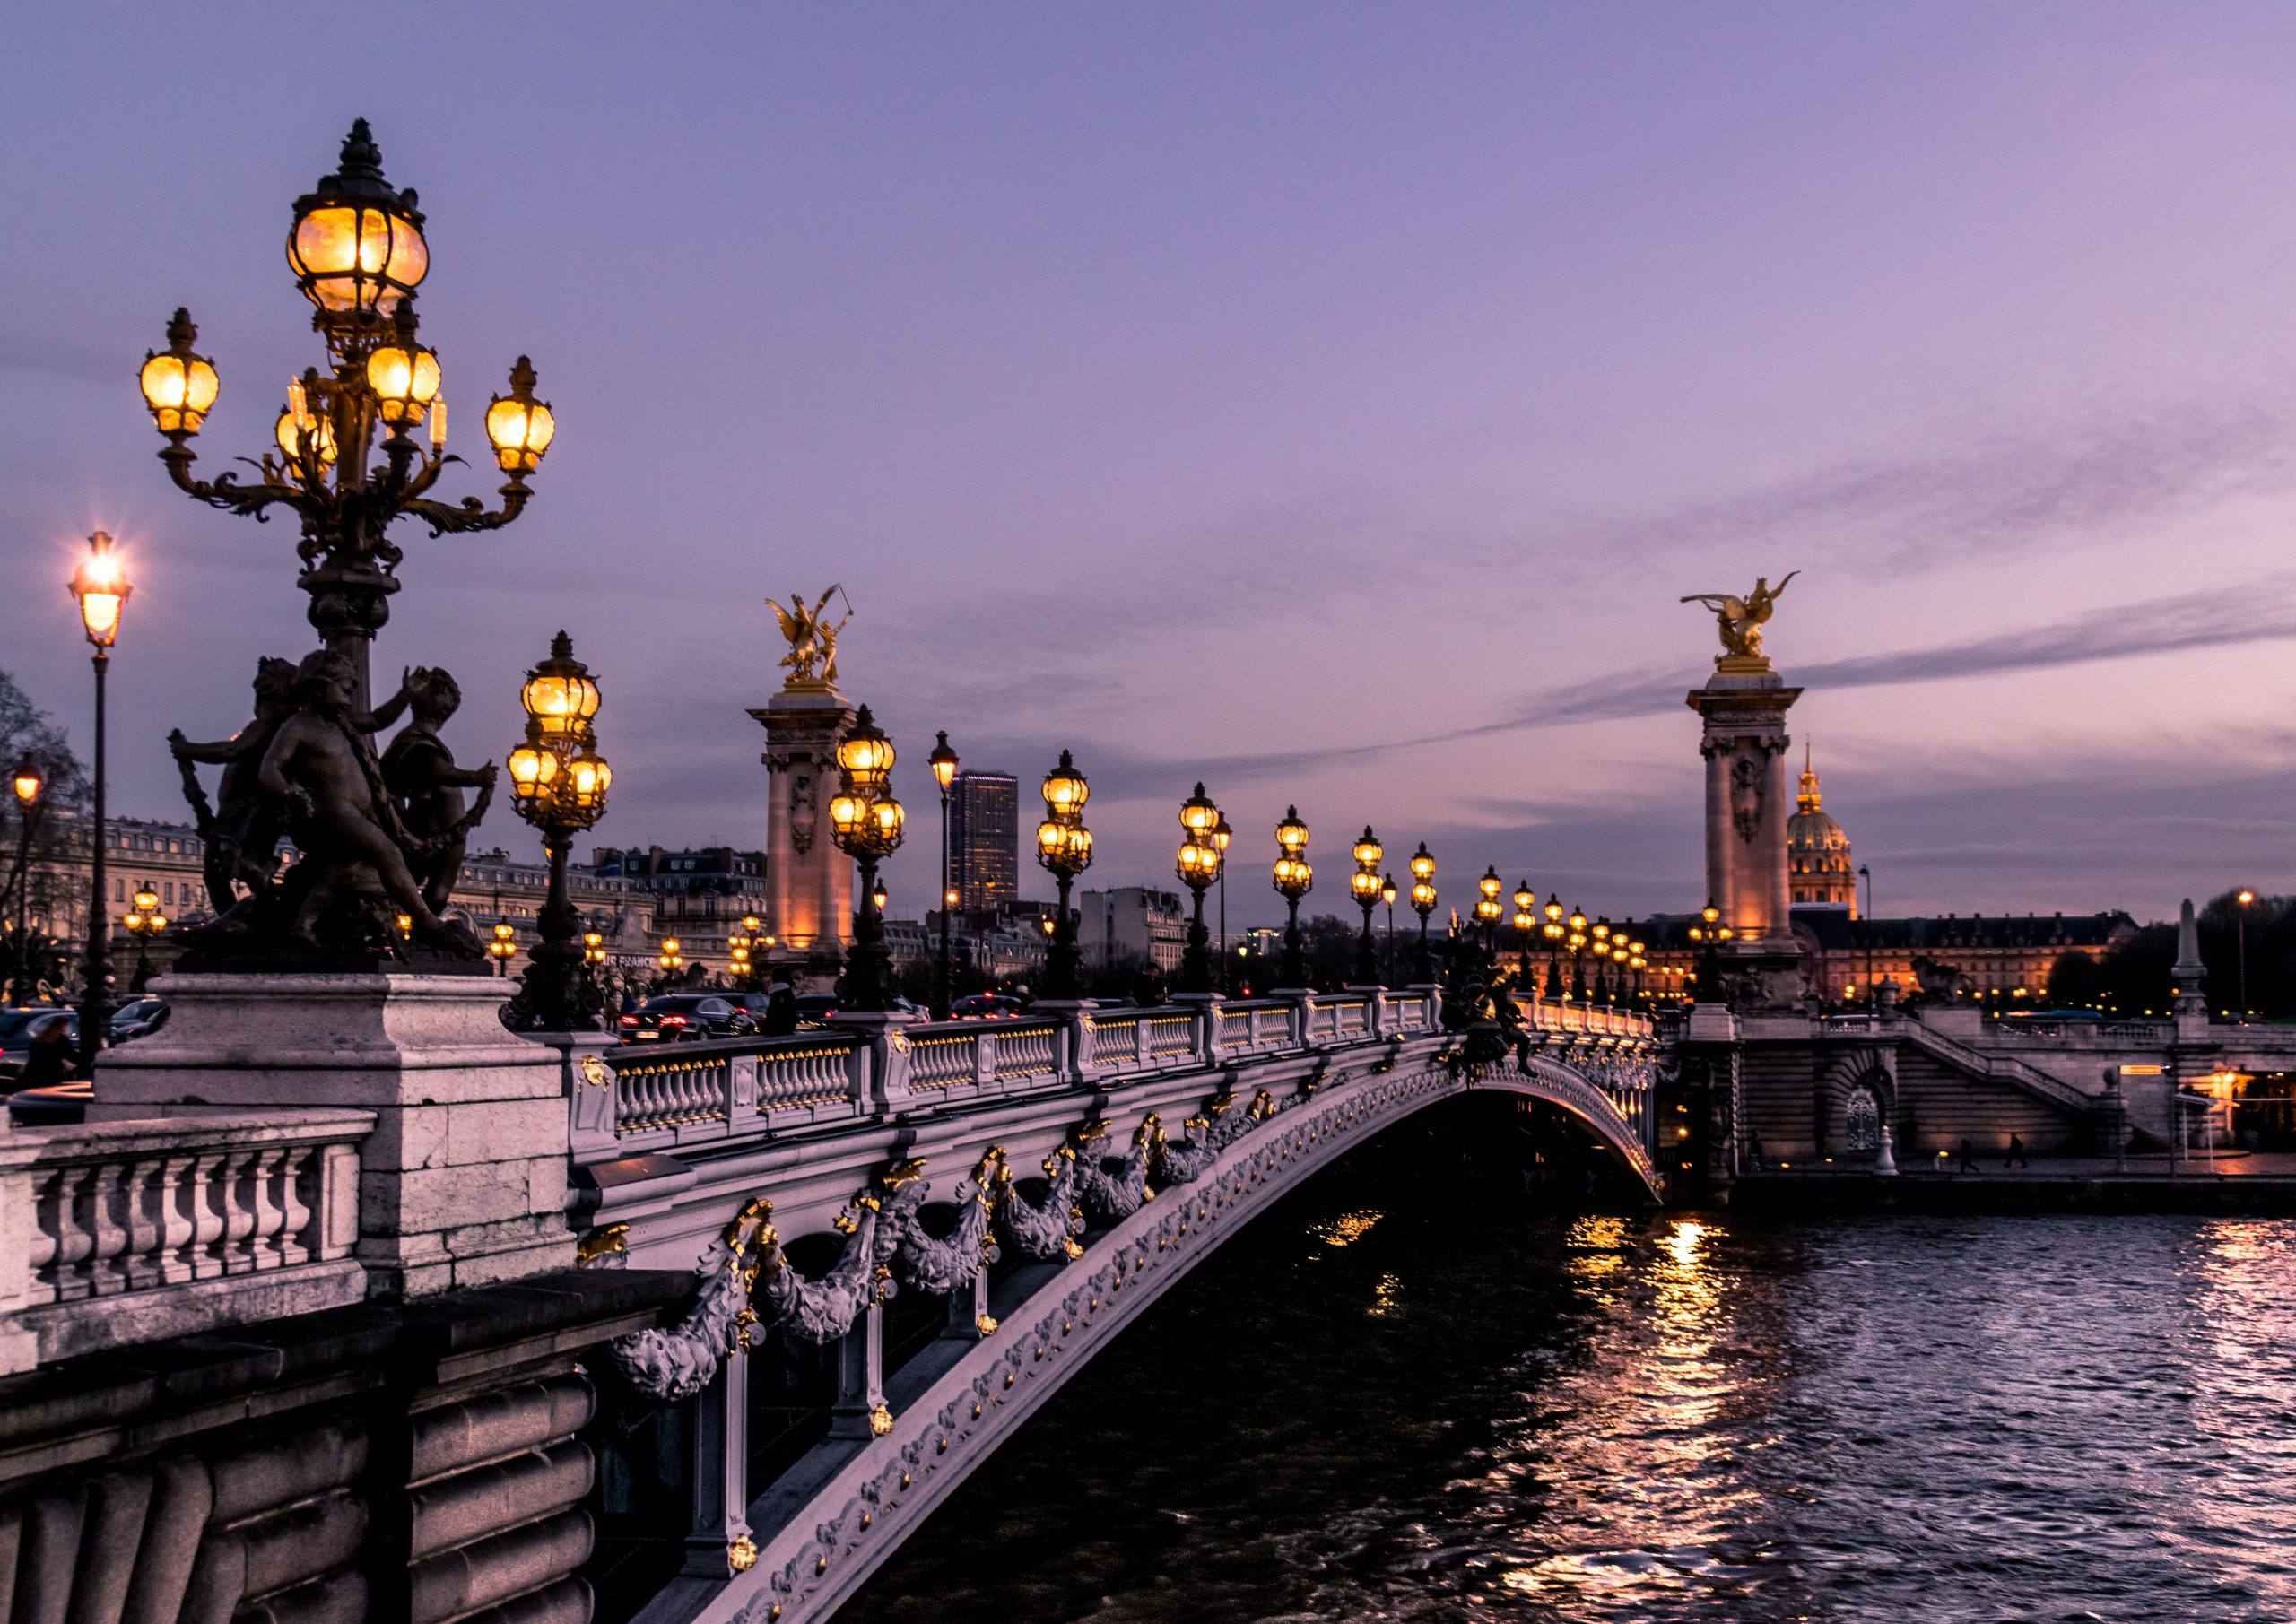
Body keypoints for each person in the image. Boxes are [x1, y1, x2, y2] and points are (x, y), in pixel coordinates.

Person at [18, 1015, 74, 1090]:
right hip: (51, 1076)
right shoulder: (62, 1040)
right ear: (64, 1026)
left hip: (33, 1075)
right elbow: (72, 1056)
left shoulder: (40, 1038)